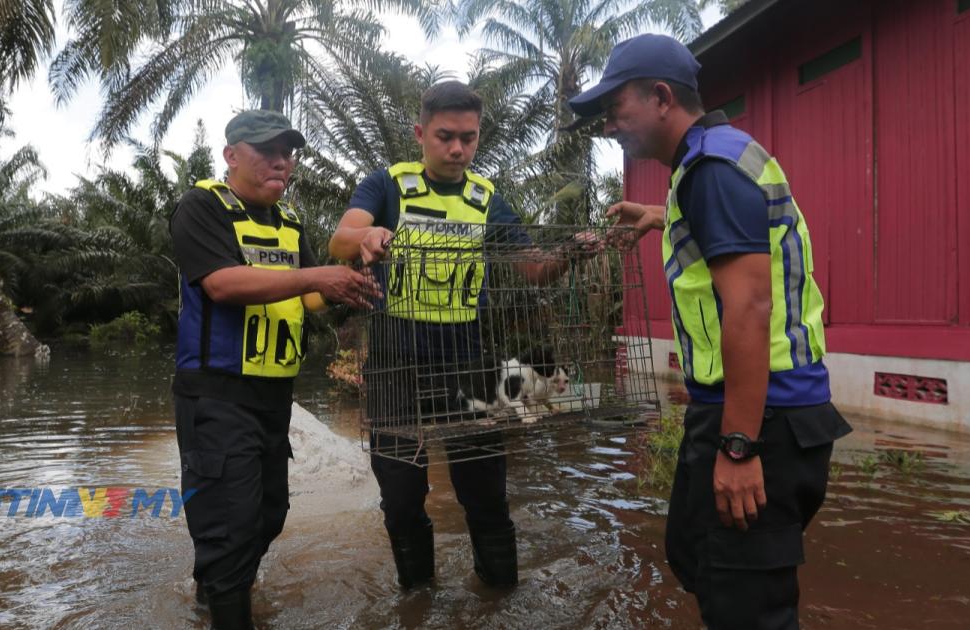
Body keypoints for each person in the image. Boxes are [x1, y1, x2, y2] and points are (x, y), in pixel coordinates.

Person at [568, 34, 853, 629]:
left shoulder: (713, 171)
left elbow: (748, 307)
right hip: (745, 407)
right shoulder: (705, 166)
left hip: (763, 416)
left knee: (745, 603)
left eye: (615, 110)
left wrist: (739, 447)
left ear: (661, 97)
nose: (609, 126)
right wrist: (658, 217)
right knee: (693, 553)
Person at [329, 80, 596, 591]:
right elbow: (341, 236)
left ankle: (498, 598)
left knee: (486, 494)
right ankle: (418, 602)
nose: (457, 149)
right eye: (445, 136)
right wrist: (367, 234)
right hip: (393, 365)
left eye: (468, 138)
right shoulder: (386, 184)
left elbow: (533, 269)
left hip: (468, 364)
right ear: (420, 133)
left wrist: (571, 253)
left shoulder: (486, 199)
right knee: (403, 499)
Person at [169, 109, 379, 629]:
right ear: (232, 155)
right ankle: (225, 602)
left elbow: (307, 298)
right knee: (232, 524)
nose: (281, 162)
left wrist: (346, 284)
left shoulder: (289, 225)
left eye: (288, 153)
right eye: (266, 151)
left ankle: (211, 592)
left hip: (273, 398)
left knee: (269, 514)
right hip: (215, 395)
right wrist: (317, 275)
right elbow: (222, 284)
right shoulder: (202, 207)